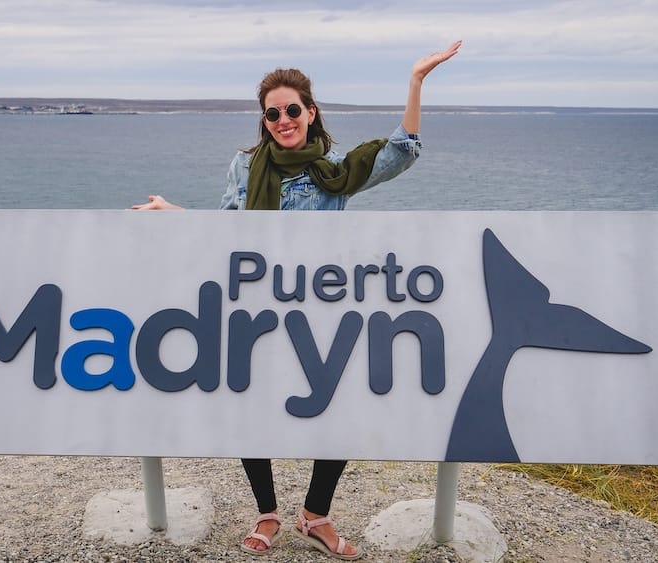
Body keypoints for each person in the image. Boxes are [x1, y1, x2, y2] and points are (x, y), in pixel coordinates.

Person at [133, 39, 462, 559]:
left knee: (339, 414)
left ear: (310, 112)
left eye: (292, 109)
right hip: (260, 307)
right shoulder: (245, 166)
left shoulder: (334, 169)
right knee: (250, 410)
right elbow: (228, 232)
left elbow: (403, 151)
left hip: (320, 309)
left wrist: (417, 80)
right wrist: (171, 210)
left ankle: (315, 515)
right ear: (264, 120)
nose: (283, 119)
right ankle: (267, 513)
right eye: (273, 113)